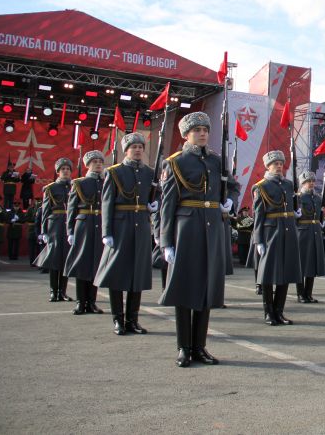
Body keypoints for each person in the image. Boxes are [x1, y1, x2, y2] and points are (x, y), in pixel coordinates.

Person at [159, 112, 231, 367]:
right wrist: (166, 241)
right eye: (197, 129)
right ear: (186, 134)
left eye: (205, 129)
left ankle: (200, 347)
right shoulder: (175, 162)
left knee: (206, 289)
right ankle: (184, 347)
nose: (202, 133)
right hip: (186, 227)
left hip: (211, 226)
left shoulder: (215, 161)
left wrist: (227, 200)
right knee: (185, 289)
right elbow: (167, 204)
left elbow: (230, 185)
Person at [94, 133, 156, 335]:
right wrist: (106, 232)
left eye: (140, 146)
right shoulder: (114, 172)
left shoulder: (149, 172)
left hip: (141, 225)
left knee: (137, 274)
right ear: (126, 149)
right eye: (133, 146)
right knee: (117, 274)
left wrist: (154, 205)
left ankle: (133, 320)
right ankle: (118, 320)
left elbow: (154, 197)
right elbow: (107, 203)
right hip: (120, 226)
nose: (138, 149)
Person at [251, 150, 302, 325]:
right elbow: (259, 215)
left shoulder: (288, 185)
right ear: (268, 166)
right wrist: (259, 240)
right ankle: (268, 312)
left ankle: (279, 311)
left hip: (288, 229)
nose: (279, 166)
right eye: (275, 164)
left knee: (286, 271)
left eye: (281, 163)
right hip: (270, 232)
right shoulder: (261, 186)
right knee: (267, 274)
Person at [63, 150, 105, 315]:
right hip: (84, 225)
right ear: (88, 165)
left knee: (96, 265)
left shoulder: (106, 182)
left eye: (100, 161)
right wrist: (70, 231)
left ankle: (92, 302)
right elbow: (71, 209)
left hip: (100, 224)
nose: (98, 164)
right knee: (82, 264)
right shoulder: (79, 183)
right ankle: (81, 302)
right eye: (94, 161)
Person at [34, 158, 74, 301]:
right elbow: (45, 211)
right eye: (63, 169)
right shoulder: (50, 188)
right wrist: (44, 231)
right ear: (58, 172)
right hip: (55, 224)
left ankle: (62, 292)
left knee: (66, 259)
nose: (66, 171)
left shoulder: (75, 186)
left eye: (68, 169)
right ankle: (53, 291)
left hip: (69, 225)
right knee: (54, 258)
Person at [296, 170, 325, 304]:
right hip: (302, 232)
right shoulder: (298, 198)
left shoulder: (318, 198)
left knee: (312, 263)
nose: (311, 183)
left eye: (313, 181)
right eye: (308, 181)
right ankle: (300, 294)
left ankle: (308, 293)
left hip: (315, 231)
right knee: (302, 264)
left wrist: (322, 220)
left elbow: (319, 214)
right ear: (303, 183)